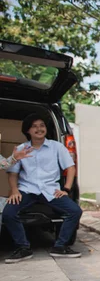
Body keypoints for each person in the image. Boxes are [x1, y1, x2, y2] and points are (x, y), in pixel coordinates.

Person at [4, 113, 83, 264]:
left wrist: (66, 189)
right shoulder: (21, 149)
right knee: (8, 213)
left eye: (42, 125)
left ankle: (60, 247)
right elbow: (12, 173)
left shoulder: (57, 147)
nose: (39, 129)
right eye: (34, 126)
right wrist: (14, 190)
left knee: (75, 211)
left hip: (50, 190)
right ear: (27, 130)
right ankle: (23, 248)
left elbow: (71, 168)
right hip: (27, 190)